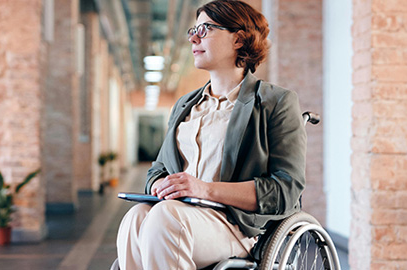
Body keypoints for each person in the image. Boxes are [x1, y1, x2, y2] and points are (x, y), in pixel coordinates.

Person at [116, 0, 307, 269]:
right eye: (193, 30)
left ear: (239, 39)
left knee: (165, 217)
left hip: (235, 225)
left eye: (205, 29)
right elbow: (158, 169)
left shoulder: (275, 102)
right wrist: (160, 185)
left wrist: (205, 190)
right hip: (179, 215)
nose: (193, 37)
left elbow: (285, 189)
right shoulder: (186, 105)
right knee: (136, 216)